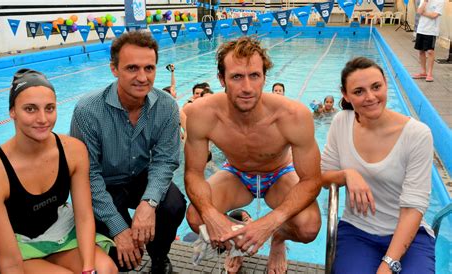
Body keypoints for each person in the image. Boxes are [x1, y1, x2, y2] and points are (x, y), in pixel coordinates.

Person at [184, 36, 322, 273]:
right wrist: (212, 215)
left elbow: (311, 181)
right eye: (237, 77)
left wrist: (269, 224)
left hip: (279, 174)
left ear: (264, 77)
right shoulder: (201, 114)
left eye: (254, 76)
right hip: (236, 174)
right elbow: (193, 174)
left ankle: (279, 238)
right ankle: (236, 246)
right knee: (196, 217)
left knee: (308, 227)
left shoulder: (293, 115)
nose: (247, 87)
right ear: (221, 79)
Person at [0, 68, 117, 274]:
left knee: (104, 269)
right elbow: (8, 261)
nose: (43, 119)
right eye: (30, 109)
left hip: (58, 231)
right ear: (12, 111)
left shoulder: (73, 150)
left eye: (49, 108)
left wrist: (88, 270)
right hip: (15, 245)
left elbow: (84, 216)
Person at [70, 30, 186, 273]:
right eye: (132, 68)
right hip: (104, 184)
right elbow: (87, 176)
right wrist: (120, 229)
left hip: (140, 177)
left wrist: (148, 203)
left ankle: (158, 257)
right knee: (120, 261)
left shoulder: (166, 106)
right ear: (114, 69)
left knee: (173, 205)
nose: (142, 77)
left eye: (149, 68)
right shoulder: (88, 111)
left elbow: (166, 161)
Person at [321, 57, 435, 274]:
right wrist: (347, 174)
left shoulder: (417, 134)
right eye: (359, 91)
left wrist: (388, 265)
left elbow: (414, 207)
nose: (370, 97)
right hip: (357, 231)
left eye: (376, 87)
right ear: (345, 95)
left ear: (385, 84)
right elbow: (323, 177)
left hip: (408, 235)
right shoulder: (341, 122)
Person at [412, 0, 445, 82]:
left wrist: (423, 13)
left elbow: (434, 15)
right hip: (421, 29)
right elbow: (418, 11)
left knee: (430, 52)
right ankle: (423, 72)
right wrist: (425, 2)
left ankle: (429, 73)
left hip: (431, 31)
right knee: (421, 51)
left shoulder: (440, 1)